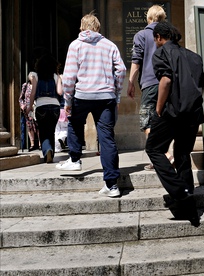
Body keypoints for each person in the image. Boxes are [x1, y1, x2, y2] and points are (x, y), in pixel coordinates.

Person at [57, 11, 126, 198]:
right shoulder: (109, 45)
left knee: (74, 122)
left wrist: (68, 100)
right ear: (98, 28)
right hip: (105, 97)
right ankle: (112, 185)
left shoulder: (76, 46)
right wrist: (116, 93)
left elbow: (69, 76)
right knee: (106, 138)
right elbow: (121, 70)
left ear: (81, 27)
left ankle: (75, 159)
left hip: (82, 95)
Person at [145, 21, 204, 227]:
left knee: (153, 148)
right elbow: (201, 86)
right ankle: (187, 206)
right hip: (192, 114)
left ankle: (180, 191)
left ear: (160, 37)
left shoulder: (161, 53)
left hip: (171, 111)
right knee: (182, 155)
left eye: (155, 38)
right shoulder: (195, 58)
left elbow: (166, 81)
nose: (155, 42)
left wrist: (159, 109)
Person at [127, 5, 173, 171]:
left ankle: (164, 154)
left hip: (150, 84)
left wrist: (131, 82)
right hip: (169, 84)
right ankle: (161, 156)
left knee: (147, 121)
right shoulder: (169, 36)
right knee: (165, 119)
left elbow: (136, 61)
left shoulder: (141, 35)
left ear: (148, 17)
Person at [26, 54, 63, 163]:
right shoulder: (55, 76)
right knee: (51, 131)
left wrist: (29, 107)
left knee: (43, 131)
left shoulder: (35, 76)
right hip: (55, 106)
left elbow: (32, 93)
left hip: (41, 106)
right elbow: (60, 92)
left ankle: (47, 150)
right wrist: (59, 79)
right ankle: (51, 152)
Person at [19, 71, 39, 151]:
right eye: (31, 76)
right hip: (28, 109)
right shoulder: (25, 86)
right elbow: (21, 98)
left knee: (38, 126)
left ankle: (41, 144)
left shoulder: (38, 86)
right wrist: (23, 105)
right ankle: (32, 144)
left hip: (37, 108)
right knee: (30, 126)